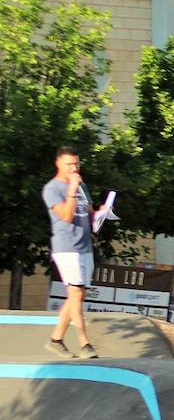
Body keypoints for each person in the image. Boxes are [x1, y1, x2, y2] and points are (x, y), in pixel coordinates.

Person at [43, 147, 99, 359]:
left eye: (76, 163)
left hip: (84, 245)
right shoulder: (52, 189)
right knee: (75, 293)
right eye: (69, 164)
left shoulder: (82, 185)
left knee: (78, 295)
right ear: (58, 164)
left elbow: (90, 214)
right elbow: (66, 216)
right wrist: (71, 190)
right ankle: (85, 343)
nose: (74, 168)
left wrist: (102, 213)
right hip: (66, 247)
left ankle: (56, 339)